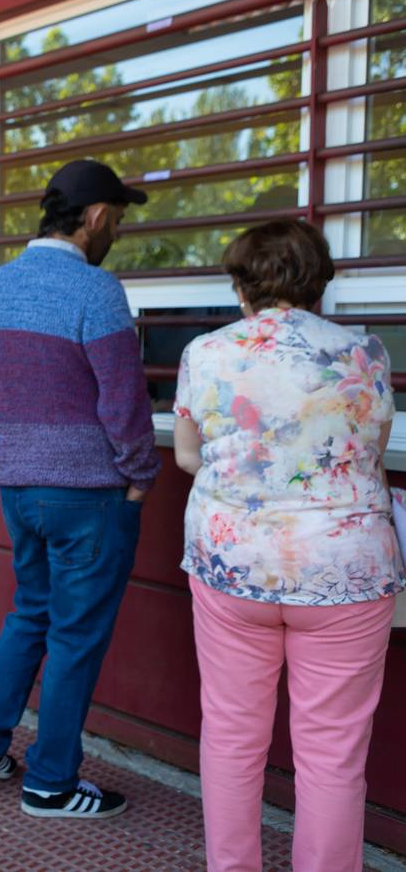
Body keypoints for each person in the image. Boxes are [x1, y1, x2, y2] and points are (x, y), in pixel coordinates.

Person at [173, 219, 402, 870]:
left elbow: (187, 455)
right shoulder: (365, 352)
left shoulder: (205, 352)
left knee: (230, 735)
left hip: (233, 566)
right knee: (333, 754)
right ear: (317, 281)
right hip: (345, 571)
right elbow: (368, 455)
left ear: (241, 284)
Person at [0, 158, 159, 818]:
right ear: (95, 217)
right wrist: (140, 477)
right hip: (88, 493)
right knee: (74, 637)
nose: (116, 234)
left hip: (18, 487)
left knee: (30, 614)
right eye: (117, 220)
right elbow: (124, 400)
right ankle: (50, 783)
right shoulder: (95, 290)